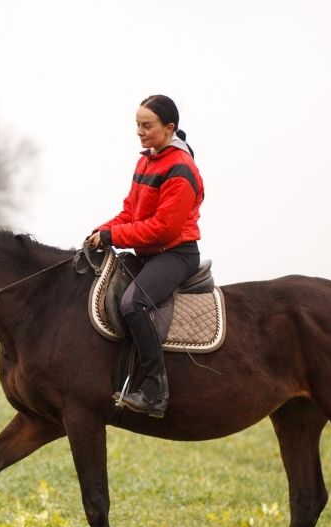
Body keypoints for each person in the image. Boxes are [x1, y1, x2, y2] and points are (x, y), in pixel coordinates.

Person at [87, 94, 204, 418]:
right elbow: (130, 212)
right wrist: (101, 231)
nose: (140, 131)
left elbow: (164, 229)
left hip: (175, 254)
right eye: (137, 125)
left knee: (132, 304)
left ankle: (155, 391)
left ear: (169, 128)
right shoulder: (146, 160)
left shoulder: (181, 169)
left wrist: (115, 236)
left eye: (147, 125)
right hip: (150, 252)